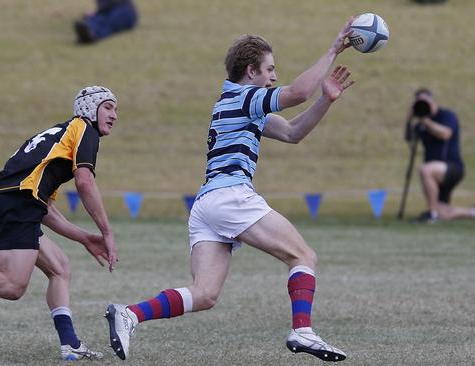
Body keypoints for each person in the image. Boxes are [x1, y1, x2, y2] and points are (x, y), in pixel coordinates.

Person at [104, 19, 355, 362]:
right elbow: (296, 93)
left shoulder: (236, 102)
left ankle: (129, 314)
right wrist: (333, 50)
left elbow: (293, 132)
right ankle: (303, 331)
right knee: (303, 256)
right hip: (231, 196)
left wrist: (326, 99)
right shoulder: (245, 96)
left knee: (205, 294)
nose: (273, 77)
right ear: (251, 71)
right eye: (269, 69)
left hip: (207, 204)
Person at [0, 86, 119, 361]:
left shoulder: (59, 136)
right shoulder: (85, 129)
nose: (114, 115)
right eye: (108, 107)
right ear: (89, 108)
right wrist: (107, 232)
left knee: (59, 268)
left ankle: (70, 344)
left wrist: (83, 237)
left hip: (9, 201)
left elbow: (43, 208)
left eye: (115, 109)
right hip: (17, 203)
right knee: (12, 286)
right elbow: (85, 181)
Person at [404, 88, 475, 223]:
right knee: (442, 212)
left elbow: (445, 134)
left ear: (432, 101)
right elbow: (409, 139)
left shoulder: (446, 115)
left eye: (425, 101)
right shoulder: (420, 124)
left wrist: (427, 122)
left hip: (452, 167)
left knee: (425, 169)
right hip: (435, 172)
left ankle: (431, 215)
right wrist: (409, 120)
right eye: (419, 102)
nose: (423, 105)